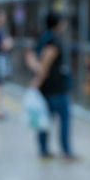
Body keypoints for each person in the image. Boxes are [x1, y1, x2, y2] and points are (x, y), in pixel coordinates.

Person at [25, 13, 76, 160]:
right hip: (56, 89)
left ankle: (43, 150)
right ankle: (66, 151)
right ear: (58, 23)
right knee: (63, 118)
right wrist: (38, 74)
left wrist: (37, 79)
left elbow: (34, 59)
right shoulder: (53, 41)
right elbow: (43, 67)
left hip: (46, 89)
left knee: (45, 119)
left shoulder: (43, 38)